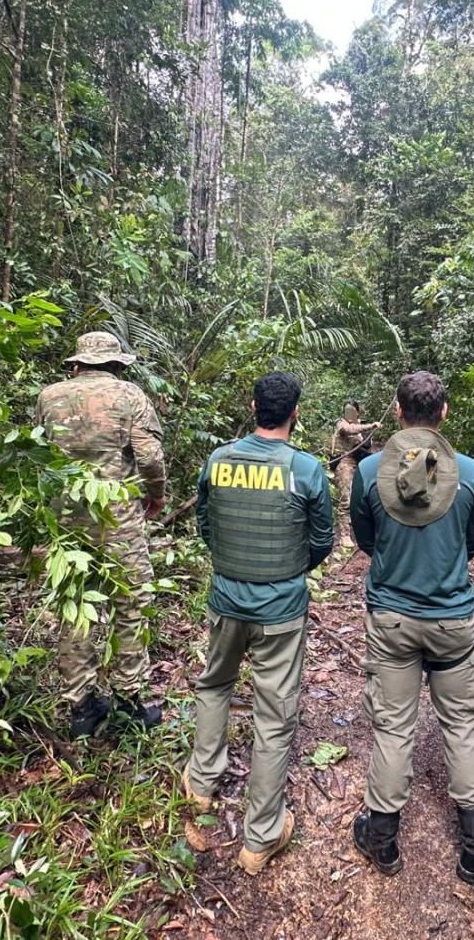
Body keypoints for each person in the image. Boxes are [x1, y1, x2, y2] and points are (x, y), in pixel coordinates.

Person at [349, 370, 474, 885]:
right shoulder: (470, 472)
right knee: (462, 724)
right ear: (444, 413)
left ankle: (382, 839)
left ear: (398, 412)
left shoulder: (369, 470)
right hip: (453, 619)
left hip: (392, 618)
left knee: (393, 726)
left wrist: (393, 559)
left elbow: (364, 537)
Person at [184, 372, 333, 876]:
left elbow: (206, 524)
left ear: (253, 408)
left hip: (226, 600)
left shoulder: (219, 460)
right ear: (295, 413)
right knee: (274, 716)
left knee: (214, 685)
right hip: (280, 613)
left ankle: (201, 784)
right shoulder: (305, 469)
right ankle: (261, 837)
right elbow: (322, 539)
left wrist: (235, 565)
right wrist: (286, 572)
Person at [34, 331, 166, 739]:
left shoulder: (49, 397)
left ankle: (81, 708)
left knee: (76, 606)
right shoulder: (130, 396)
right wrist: (157, 494)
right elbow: (149, 456)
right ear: (116, 364)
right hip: (117, 518)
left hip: (65, 521)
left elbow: (38, 452)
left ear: (77, 364)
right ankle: (128, 700)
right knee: (131, 603)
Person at [329, 400, 380, 553]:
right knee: (346, 498)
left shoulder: (360, 427)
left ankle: (364, 530)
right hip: (344, 463)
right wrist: (370, 426)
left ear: (357, 412)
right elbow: (348, 429)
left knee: (365, 496)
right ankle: (345, 535)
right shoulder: (341, 424)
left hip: (359, 464)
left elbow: (366, 446)